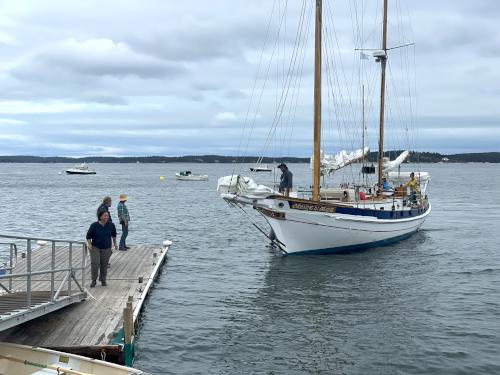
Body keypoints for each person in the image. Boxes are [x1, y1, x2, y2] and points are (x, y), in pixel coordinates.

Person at [86, 210, 117, 287]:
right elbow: (88, 236)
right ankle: (93, 280)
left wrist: (115, 244)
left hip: (106, 247)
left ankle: (103, 280)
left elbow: (114, 235)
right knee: (95, 263)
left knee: (104, 265)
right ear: (100, 217)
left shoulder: (111, 225)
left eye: (107, 216)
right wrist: (89, 244)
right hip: (95, 247)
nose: (106, 217)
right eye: (105, 216)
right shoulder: (94, 225)